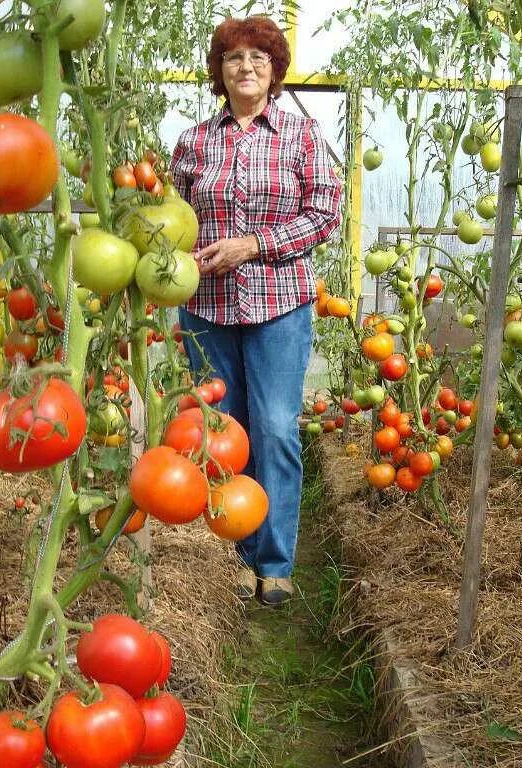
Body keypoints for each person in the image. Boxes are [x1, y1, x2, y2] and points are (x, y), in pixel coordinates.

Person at [170, 15, 342, 606]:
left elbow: (325, 215)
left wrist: (253, 245)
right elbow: (173, 224)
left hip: (278, 305)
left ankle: (274, 560)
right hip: (207, 307)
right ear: (220, 71)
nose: (245, 67)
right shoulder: (193, 142)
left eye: (258, 58)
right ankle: (235, 555)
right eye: (234, 57)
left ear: (274, 71)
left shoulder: (301, 138)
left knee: (273, 430)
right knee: (223, 433)